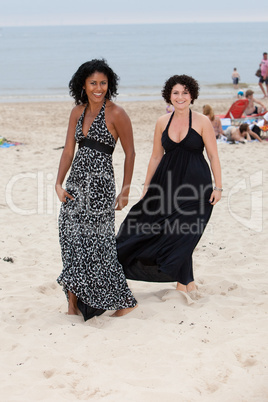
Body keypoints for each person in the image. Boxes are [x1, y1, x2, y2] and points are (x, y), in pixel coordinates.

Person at [116, 74, 222, 293]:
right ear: (169, 96)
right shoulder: (162, 122)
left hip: (197, 188)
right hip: (166, 186)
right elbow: (156, 156)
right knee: (157, 231)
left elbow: (213, 156)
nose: (180, 97)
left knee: (186, 234)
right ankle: (186, 284)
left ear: (192, 95)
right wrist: (146, 187)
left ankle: (185, 285)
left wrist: (218, 186)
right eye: (175, 93)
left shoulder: (202, 121)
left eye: (185, 92)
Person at [55, 59, 137, 321]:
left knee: (100, 244)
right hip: (76, 184)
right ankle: (73, 302)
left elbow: (130, 152)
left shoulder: (116, 113)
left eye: (103, 83)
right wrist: (58, 183)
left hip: (101, 187)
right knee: (70, 238)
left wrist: (124, 191)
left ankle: (123, 301)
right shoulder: (77, 112)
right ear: (83, 85)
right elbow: (69, 150)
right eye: (93, 83)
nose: (99, 88)